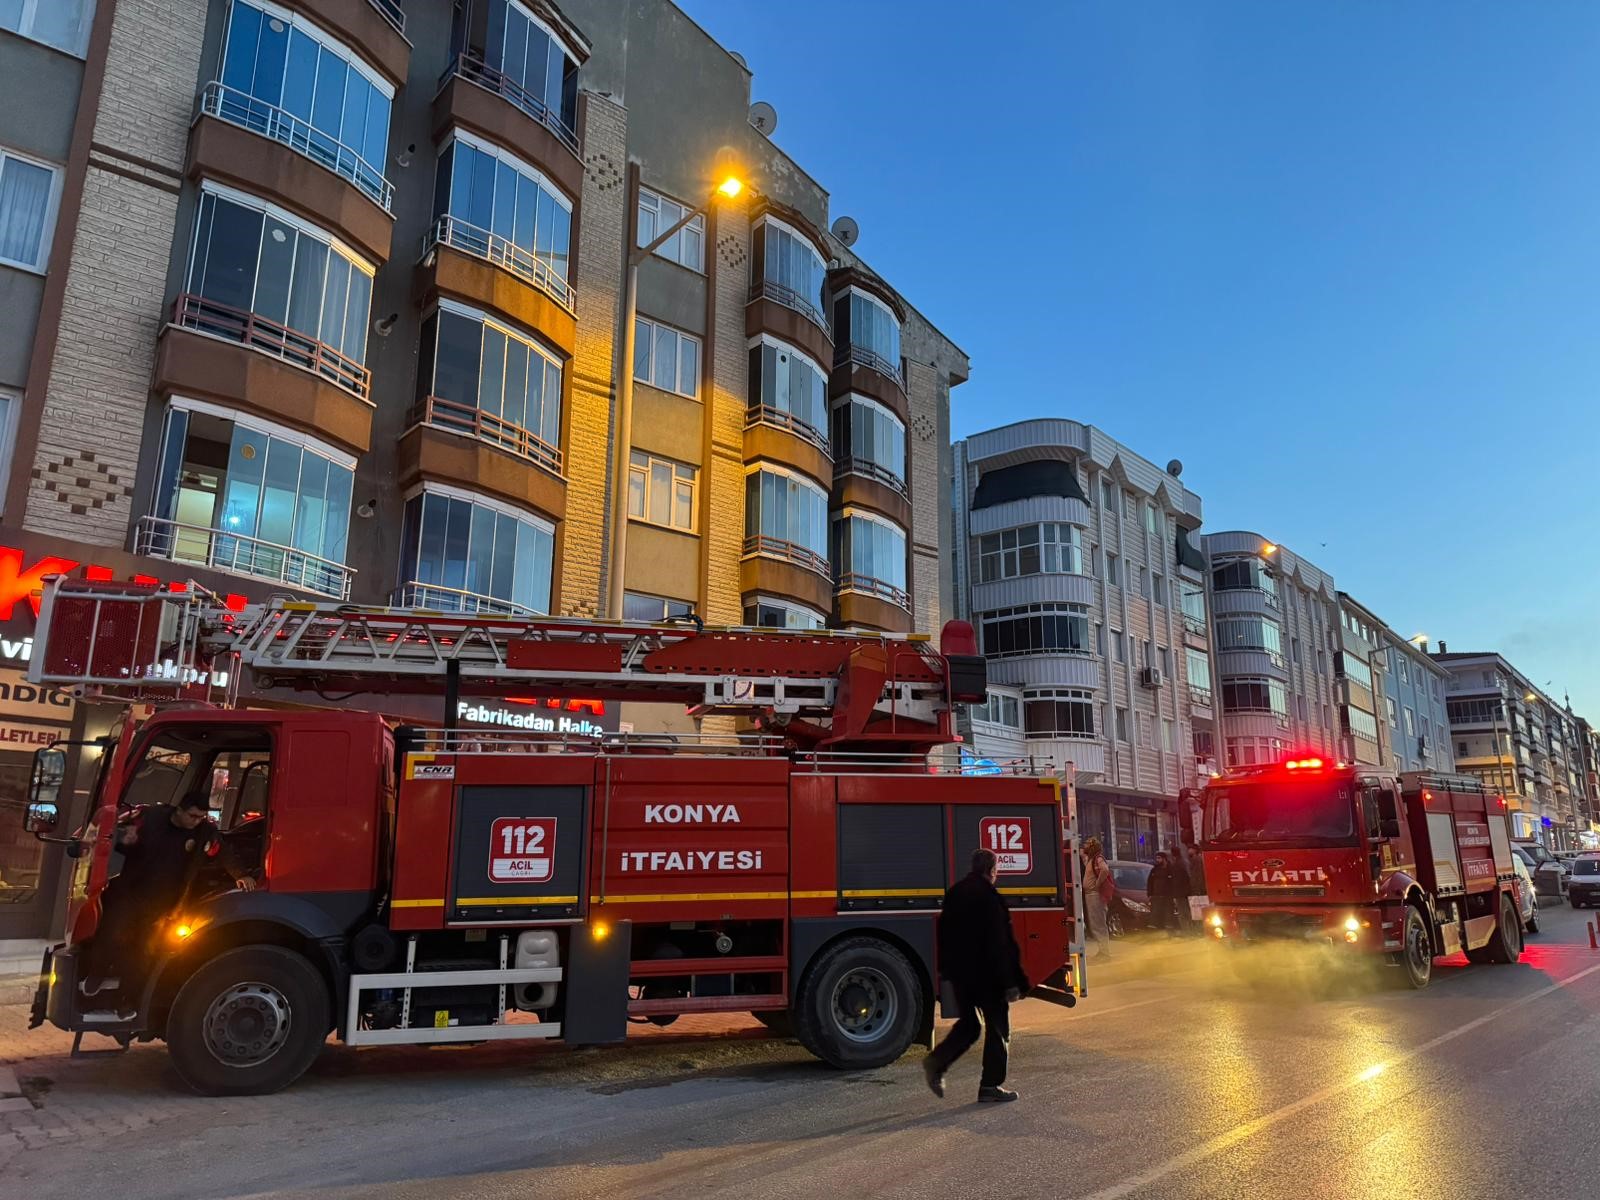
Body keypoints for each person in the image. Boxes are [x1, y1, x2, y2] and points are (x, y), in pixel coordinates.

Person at [82, 791, 251, 998]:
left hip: (164, 901)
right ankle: (96, 975)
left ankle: (130, 996)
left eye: (200, 817)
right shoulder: (151, 818)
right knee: (111, 933)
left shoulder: (204, 832)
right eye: (192, 816)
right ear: (179, 810)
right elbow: (119, 838)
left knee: (145, 948)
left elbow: (223, 851)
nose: (196, 821)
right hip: (131, 891)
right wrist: (127, 841)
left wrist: (241, 875)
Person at [923, 847, 1029, 1103]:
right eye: (996, 871)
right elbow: (1000, 944)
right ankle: (990, 1086)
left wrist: (946, 969)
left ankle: (936, 1062)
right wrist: (1012, 982)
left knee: (970, 1026)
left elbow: (943, 932)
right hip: (987, 977)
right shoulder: (990, 898)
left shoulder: (955, 893)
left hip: (961, 974)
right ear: (991, 871)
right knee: (998, 1028)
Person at [1081, 837, 1113, 960]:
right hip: (1090, 894)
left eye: (1087, 844)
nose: (1085, 846)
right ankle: (1102, 951)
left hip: (1095, 894)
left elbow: (1104, 870)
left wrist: (1097, 884)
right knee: (1095, 923)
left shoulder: (1098, 858)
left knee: (1099, 924)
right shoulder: (1090, 860)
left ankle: (1105, 953)